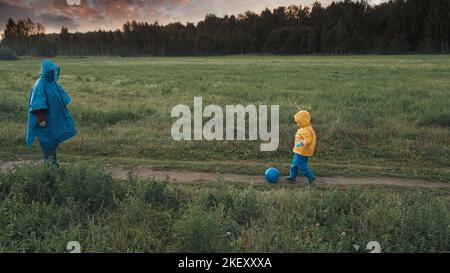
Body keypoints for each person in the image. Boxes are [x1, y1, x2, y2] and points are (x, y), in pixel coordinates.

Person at [26, 60, 77, 167]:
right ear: (46, 71)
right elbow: (36, 103)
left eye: (55, 71)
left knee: (54, 140)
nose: (55, 73)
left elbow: (62, 96)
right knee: (47, 142)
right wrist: (41, 119)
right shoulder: (40, 85)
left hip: (55, 118)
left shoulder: (53, 83)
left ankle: (52, 164)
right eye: (52, 71)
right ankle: (50, 168)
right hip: (45, 121)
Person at [286, 110, 317, 185]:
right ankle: (292, 177)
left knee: (302, 166)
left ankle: (311, 177)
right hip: (300, 151)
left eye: (298, 122)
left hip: (302, 152)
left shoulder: (306, 130)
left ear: (303, 121)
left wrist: (302, 142)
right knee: (294, 165)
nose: (297, 124)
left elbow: (308, 140)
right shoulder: (305, 128)